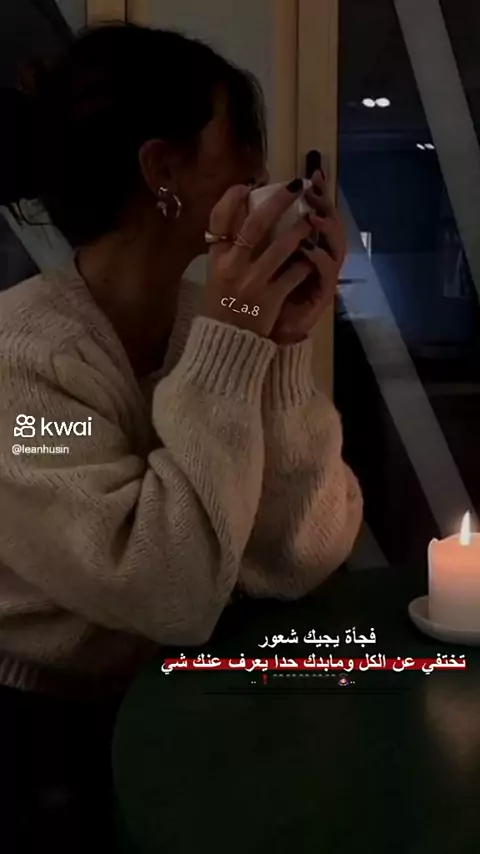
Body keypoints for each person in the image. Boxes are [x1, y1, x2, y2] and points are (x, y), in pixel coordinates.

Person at [0, 23, 362, 849]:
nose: (261, 179)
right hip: (41, 742)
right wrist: (237, 337)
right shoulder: (19, 365)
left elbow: (299, 558)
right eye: (241, 151)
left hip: (183, 703)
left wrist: (281, 344)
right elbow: (170, 589)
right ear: (161, 169)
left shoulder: (210, 326)